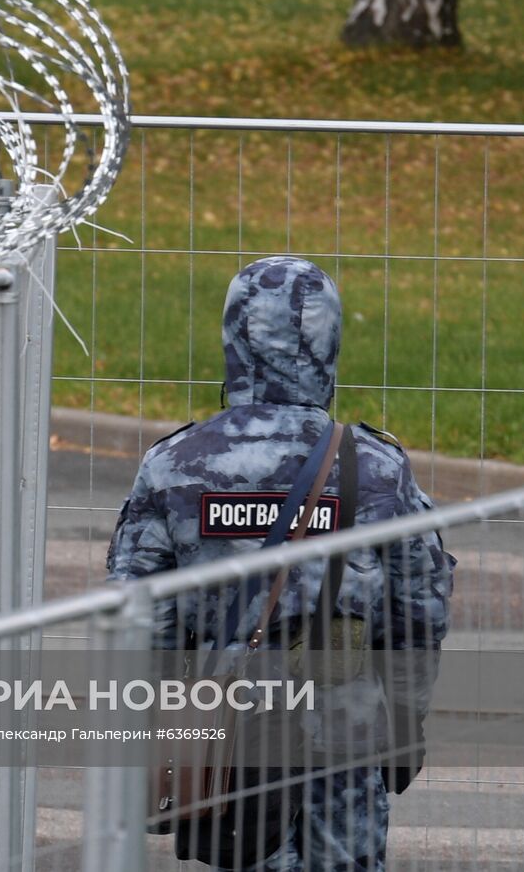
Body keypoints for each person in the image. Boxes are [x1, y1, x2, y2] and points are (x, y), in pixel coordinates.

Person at [105, 255, 454, 871]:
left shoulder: (175, 465)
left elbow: (138, 620)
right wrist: (405, 722)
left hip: (228, 730)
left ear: (233, 342)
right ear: (330, 345)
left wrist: (166, 723)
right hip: (344, 736)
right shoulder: (374, 467)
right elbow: (418, 614)